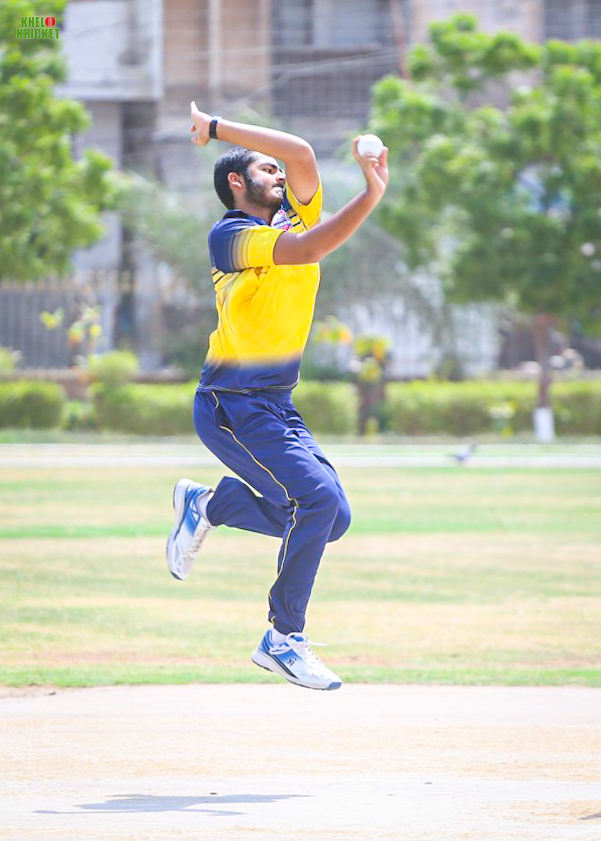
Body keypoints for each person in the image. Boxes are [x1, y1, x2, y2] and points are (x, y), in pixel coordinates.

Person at [166, 101, 389, 691]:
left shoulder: (295, 212)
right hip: (231, 403)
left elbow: (302, 154)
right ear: (237, 183)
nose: (281, 175)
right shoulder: (232, 237)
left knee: (332, 517)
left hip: (276, 404)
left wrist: (221, 128)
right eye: (267, 170)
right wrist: (215, 131)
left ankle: (212, 505)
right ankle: (283, 636)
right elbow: (309, 250)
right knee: (316, 501)